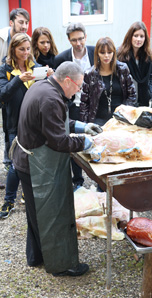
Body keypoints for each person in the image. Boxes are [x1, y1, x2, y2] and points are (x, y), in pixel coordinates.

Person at [12, 61, 102, 276]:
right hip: (35, 165)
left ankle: (36, 257)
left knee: (36, 214)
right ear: (68, 81)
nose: (79, 91)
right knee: (52, 215)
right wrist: (85, 142)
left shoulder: (43, 86)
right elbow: (59, 142)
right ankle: (62, 265)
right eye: (79, 86)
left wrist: (80, 126)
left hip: (26, 160)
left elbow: (53, 122)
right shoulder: (51, 98)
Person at [0, 33, 40, 219]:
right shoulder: (5, 70)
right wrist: (18, 80)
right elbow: (3, 95)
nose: (25, 53)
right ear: (13, 50)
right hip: (15, 124)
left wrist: (49, 76)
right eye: (21, 49)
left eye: (27, 48)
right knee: (16, 163)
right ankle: (8, 200)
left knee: (34, 160)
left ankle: (28, 193)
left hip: (34, 123)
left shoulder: (36, 67)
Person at [54, 23, 95, 190]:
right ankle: (78, 180)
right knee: (73, 140)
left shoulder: (94, 52)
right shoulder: (61, 58)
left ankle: (99, 178)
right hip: (73, 106)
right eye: (74, 40)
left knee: (95, 137)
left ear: (86, 36)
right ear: (68, 40)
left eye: (81, 39)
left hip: (92, 105)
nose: (78, 43)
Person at [80, 36, 137, 125]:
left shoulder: (122, 69)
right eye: (102, 52)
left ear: (114, 53)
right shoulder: (90, 74)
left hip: (121, 119)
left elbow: (132, 94)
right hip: (98, 120)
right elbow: (84, 103)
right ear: (97, 54)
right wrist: (85, 125)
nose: (106, 55)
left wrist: (125, 112)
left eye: (109, 52)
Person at [0, 8, 30, 171]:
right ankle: (9, 158)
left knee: (11, 117)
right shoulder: (2, 39)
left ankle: (10, 159)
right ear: (11, 22)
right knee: (7, 122)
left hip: (16, 84)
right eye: (21, 22)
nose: (24, 26)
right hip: (4, 79)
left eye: (26, 23)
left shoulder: (27, 41)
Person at [117, 21, 152, 107]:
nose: (139, 39)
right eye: (136, 36)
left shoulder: (147, 56)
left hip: (143, 100)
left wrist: (150, 92)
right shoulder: (120, 54)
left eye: (142, 36)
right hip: (125, 101)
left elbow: (151, 76)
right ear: (130, 36)